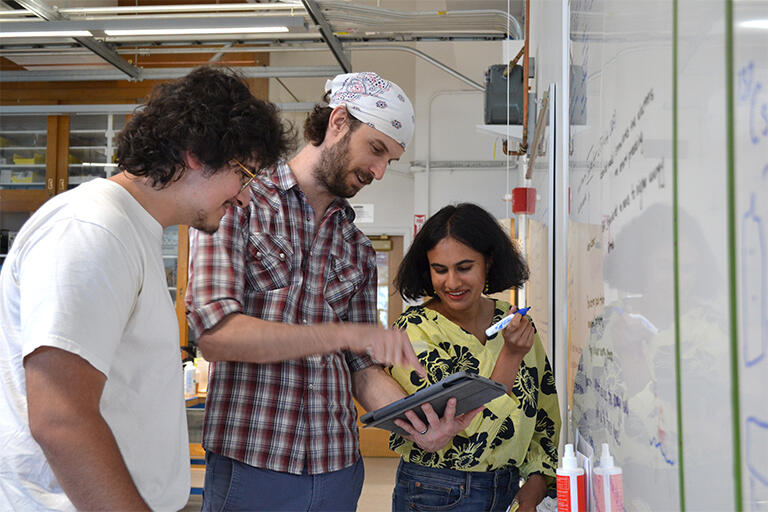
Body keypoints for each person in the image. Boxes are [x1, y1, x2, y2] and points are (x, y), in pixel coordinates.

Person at [0, 66, 292, 511]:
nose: (246, 197)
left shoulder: (131, 230)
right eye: (245, 175)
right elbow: (61, 416)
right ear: (196, 154)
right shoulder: (93, 230)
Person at [186, 71, 431, 511]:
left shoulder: (355, 246)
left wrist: (418, 420)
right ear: (339, 122)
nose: (378, 171)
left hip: (337, 468)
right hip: (252, 464)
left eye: (389, 161)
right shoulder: (238, 204)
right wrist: (342, 334)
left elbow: (361, 366)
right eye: (376, 149)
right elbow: (215, 336)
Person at [387, 203, 561, 512]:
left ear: (488, 263)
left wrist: (538, 478)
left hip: (509, 490)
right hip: (435, 491)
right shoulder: (413, 332)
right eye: (439, 269)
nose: (452, 283)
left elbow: (544, 412)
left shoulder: (516, 326)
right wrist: (510, 355)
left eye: (464, 267)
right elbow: (468, 432)